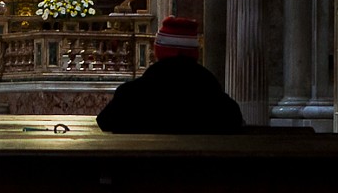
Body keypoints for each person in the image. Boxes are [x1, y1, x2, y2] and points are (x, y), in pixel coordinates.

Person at [96, 15, 244, 134]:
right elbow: (236, 120)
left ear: (158, 52)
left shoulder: (131, 93)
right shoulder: (211, 90)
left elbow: (105, 121)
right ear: (194, 53)